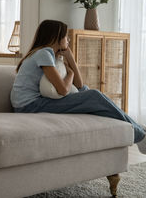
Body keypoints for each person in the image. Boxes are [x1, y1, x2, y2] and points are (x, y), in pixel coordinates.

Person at [10, 19, 146, 154]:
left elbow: (80, 86)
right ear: (56, 37)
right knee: (94, 95)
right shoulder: (44, 53)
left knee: (87, 91)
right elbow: (63, 90)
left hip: (32, 104)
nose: (68, 39)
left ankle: (137, 128)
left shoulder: (48, 54)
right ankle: (140, 136)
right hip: (29, 107)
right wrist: (70, 74)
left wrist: (71, 59)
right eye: (65, 36)